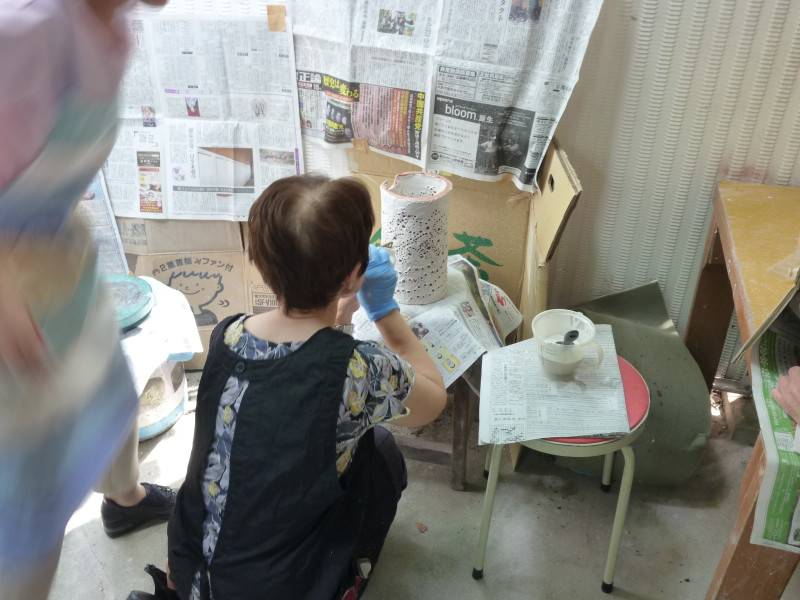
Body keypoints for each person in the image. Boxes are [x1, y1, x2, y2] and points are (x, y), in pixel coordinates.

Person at [128, 175, 447, 600]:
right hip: (278, 588)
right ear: (353, 276)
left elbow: (297, 369)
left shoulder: (227, 335)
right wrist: (384, 310)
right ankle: (345, 580)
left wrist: (338, 308)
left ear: (261, 264)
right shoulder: (360, 368)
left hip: (191, 568)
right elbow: (433, 400)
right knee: (382, 449)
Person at [0, 1, 174, 598]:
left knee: (110, 399)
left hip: (54, 264)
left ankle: (125, 498)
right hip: (11, 309)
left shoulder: (109, 24)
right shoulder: (26, 32)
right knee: (27, 506)